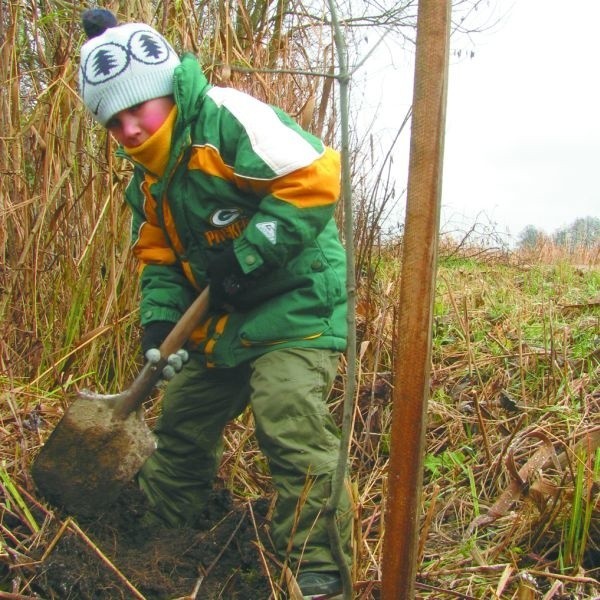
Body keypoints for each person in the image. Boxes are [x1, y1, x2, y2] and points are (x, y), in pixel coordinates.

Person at [78, 9, 352, 599]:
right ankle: (156, 536)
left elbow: (315, 178)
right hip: (223, 317)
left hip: (297, 302)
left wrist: (249, 256)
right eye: (114, 121)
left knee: (287, 418)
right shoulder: (148, 183)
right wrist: (159, 321)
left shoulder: (226, 120)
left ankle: (317, 567)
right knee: (181, 420)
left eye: (138, 110)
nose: (129, 128)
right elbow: (158, 259)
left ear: (167, 93)